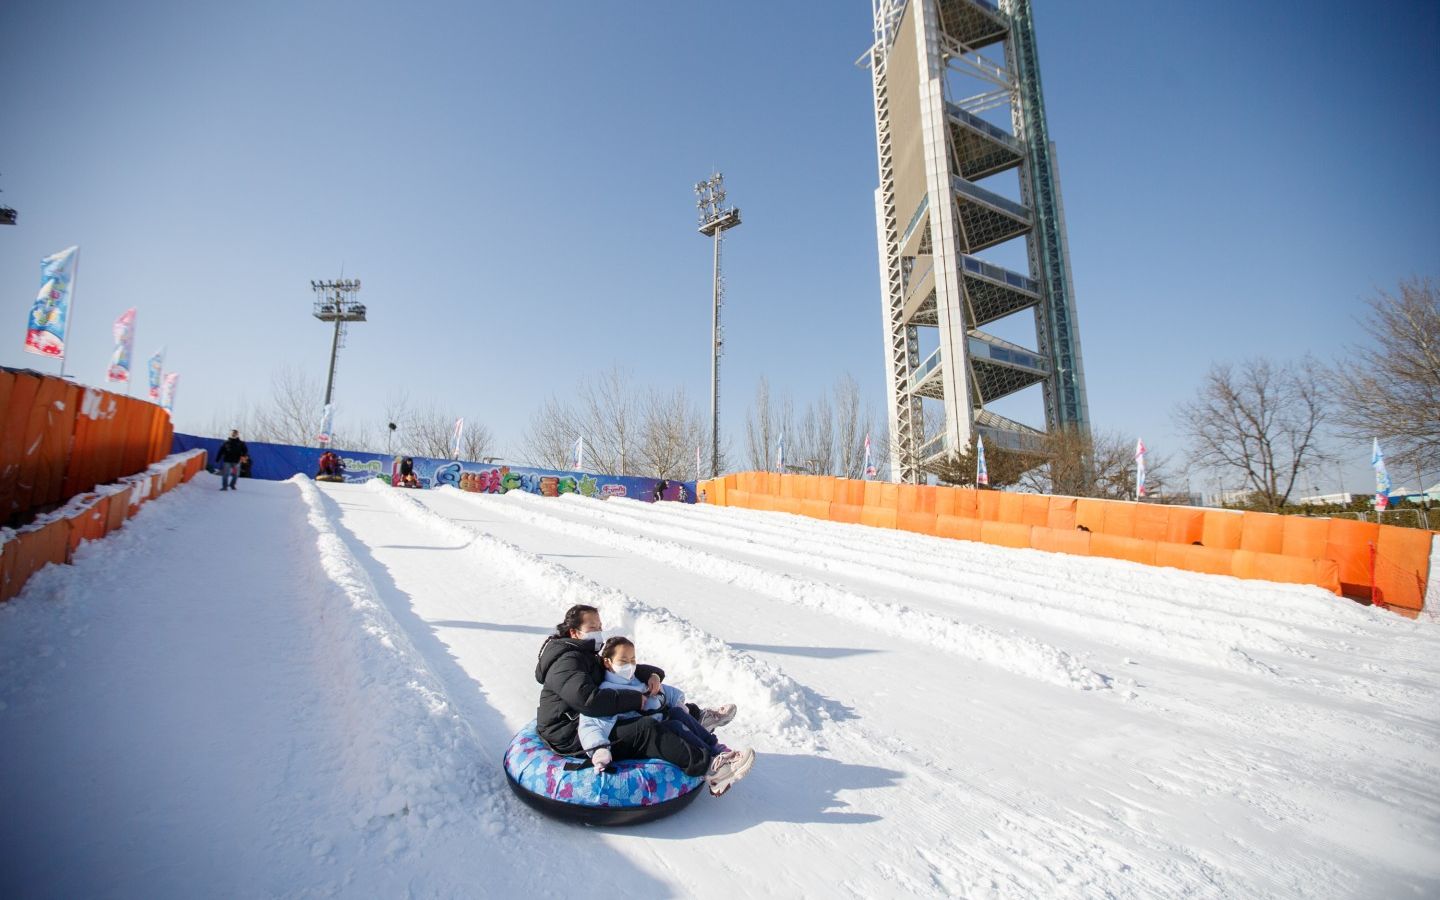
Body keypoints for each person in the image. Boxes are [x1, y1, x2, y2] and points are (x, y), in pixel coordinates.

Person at [535, 605, 751, 797]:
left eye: (600, 626)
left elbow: (612, 668)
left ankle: (696, 719)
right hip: (570, 733)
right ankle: (712, 770)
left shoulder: (583, 651)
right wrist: (636, 699)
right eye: (593, 628)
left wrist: (651, 676)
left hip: (590, 717)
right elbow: (589, 701)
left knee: (664, 707)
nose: (600, 632)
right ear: (574, 632)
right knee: (647, 728)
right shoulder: (565, 661)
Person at [579, 637, 750, 795]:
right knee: (665, 726)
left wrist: (678, 701)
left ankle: (717, 751)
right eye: (623, 661)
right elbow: (591, 724)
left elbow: (663, 691)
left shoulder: (636, 680)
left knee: (676, 716)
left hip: (655, 722)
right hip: (635, 736)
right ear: (608, 662)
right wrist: (598, 749)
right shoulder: (606, 691)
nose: (629, 666)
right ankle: (712, 768)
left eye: (633, 660)